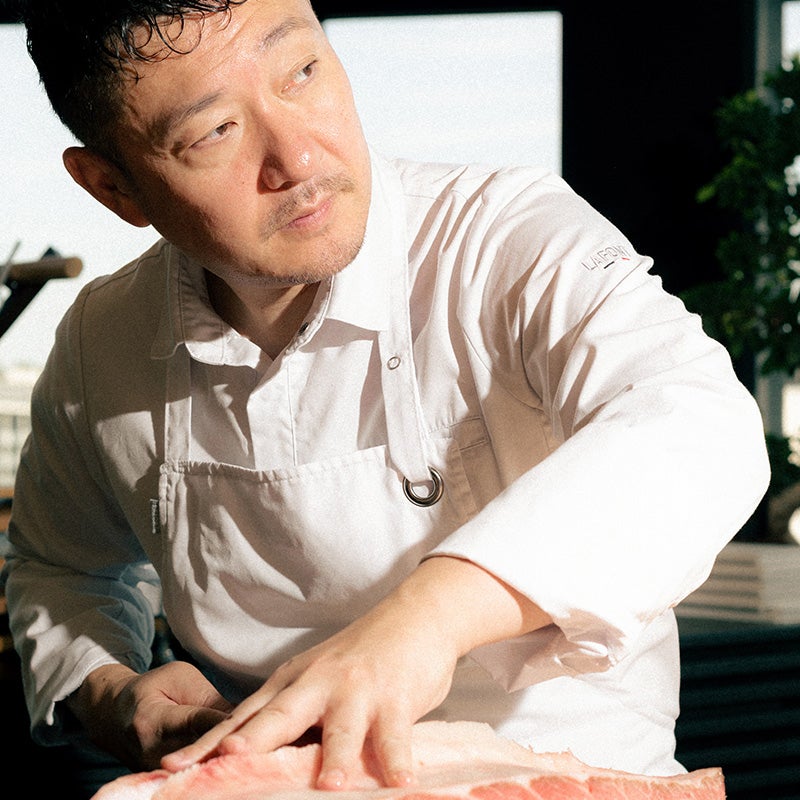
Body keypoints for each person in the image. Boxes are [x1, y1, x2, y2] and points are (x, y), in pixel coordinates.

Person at [2, 0, 770, 794]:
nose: (298, 156)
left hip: (574, 780)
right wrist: (108, 689)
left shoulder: (501, 238)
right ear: (114, 188)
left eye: (303, 71)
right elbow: (61, 568)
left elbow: (696, 419)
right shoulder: (103, 343)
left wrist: (425, 621)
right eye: (214, 132)